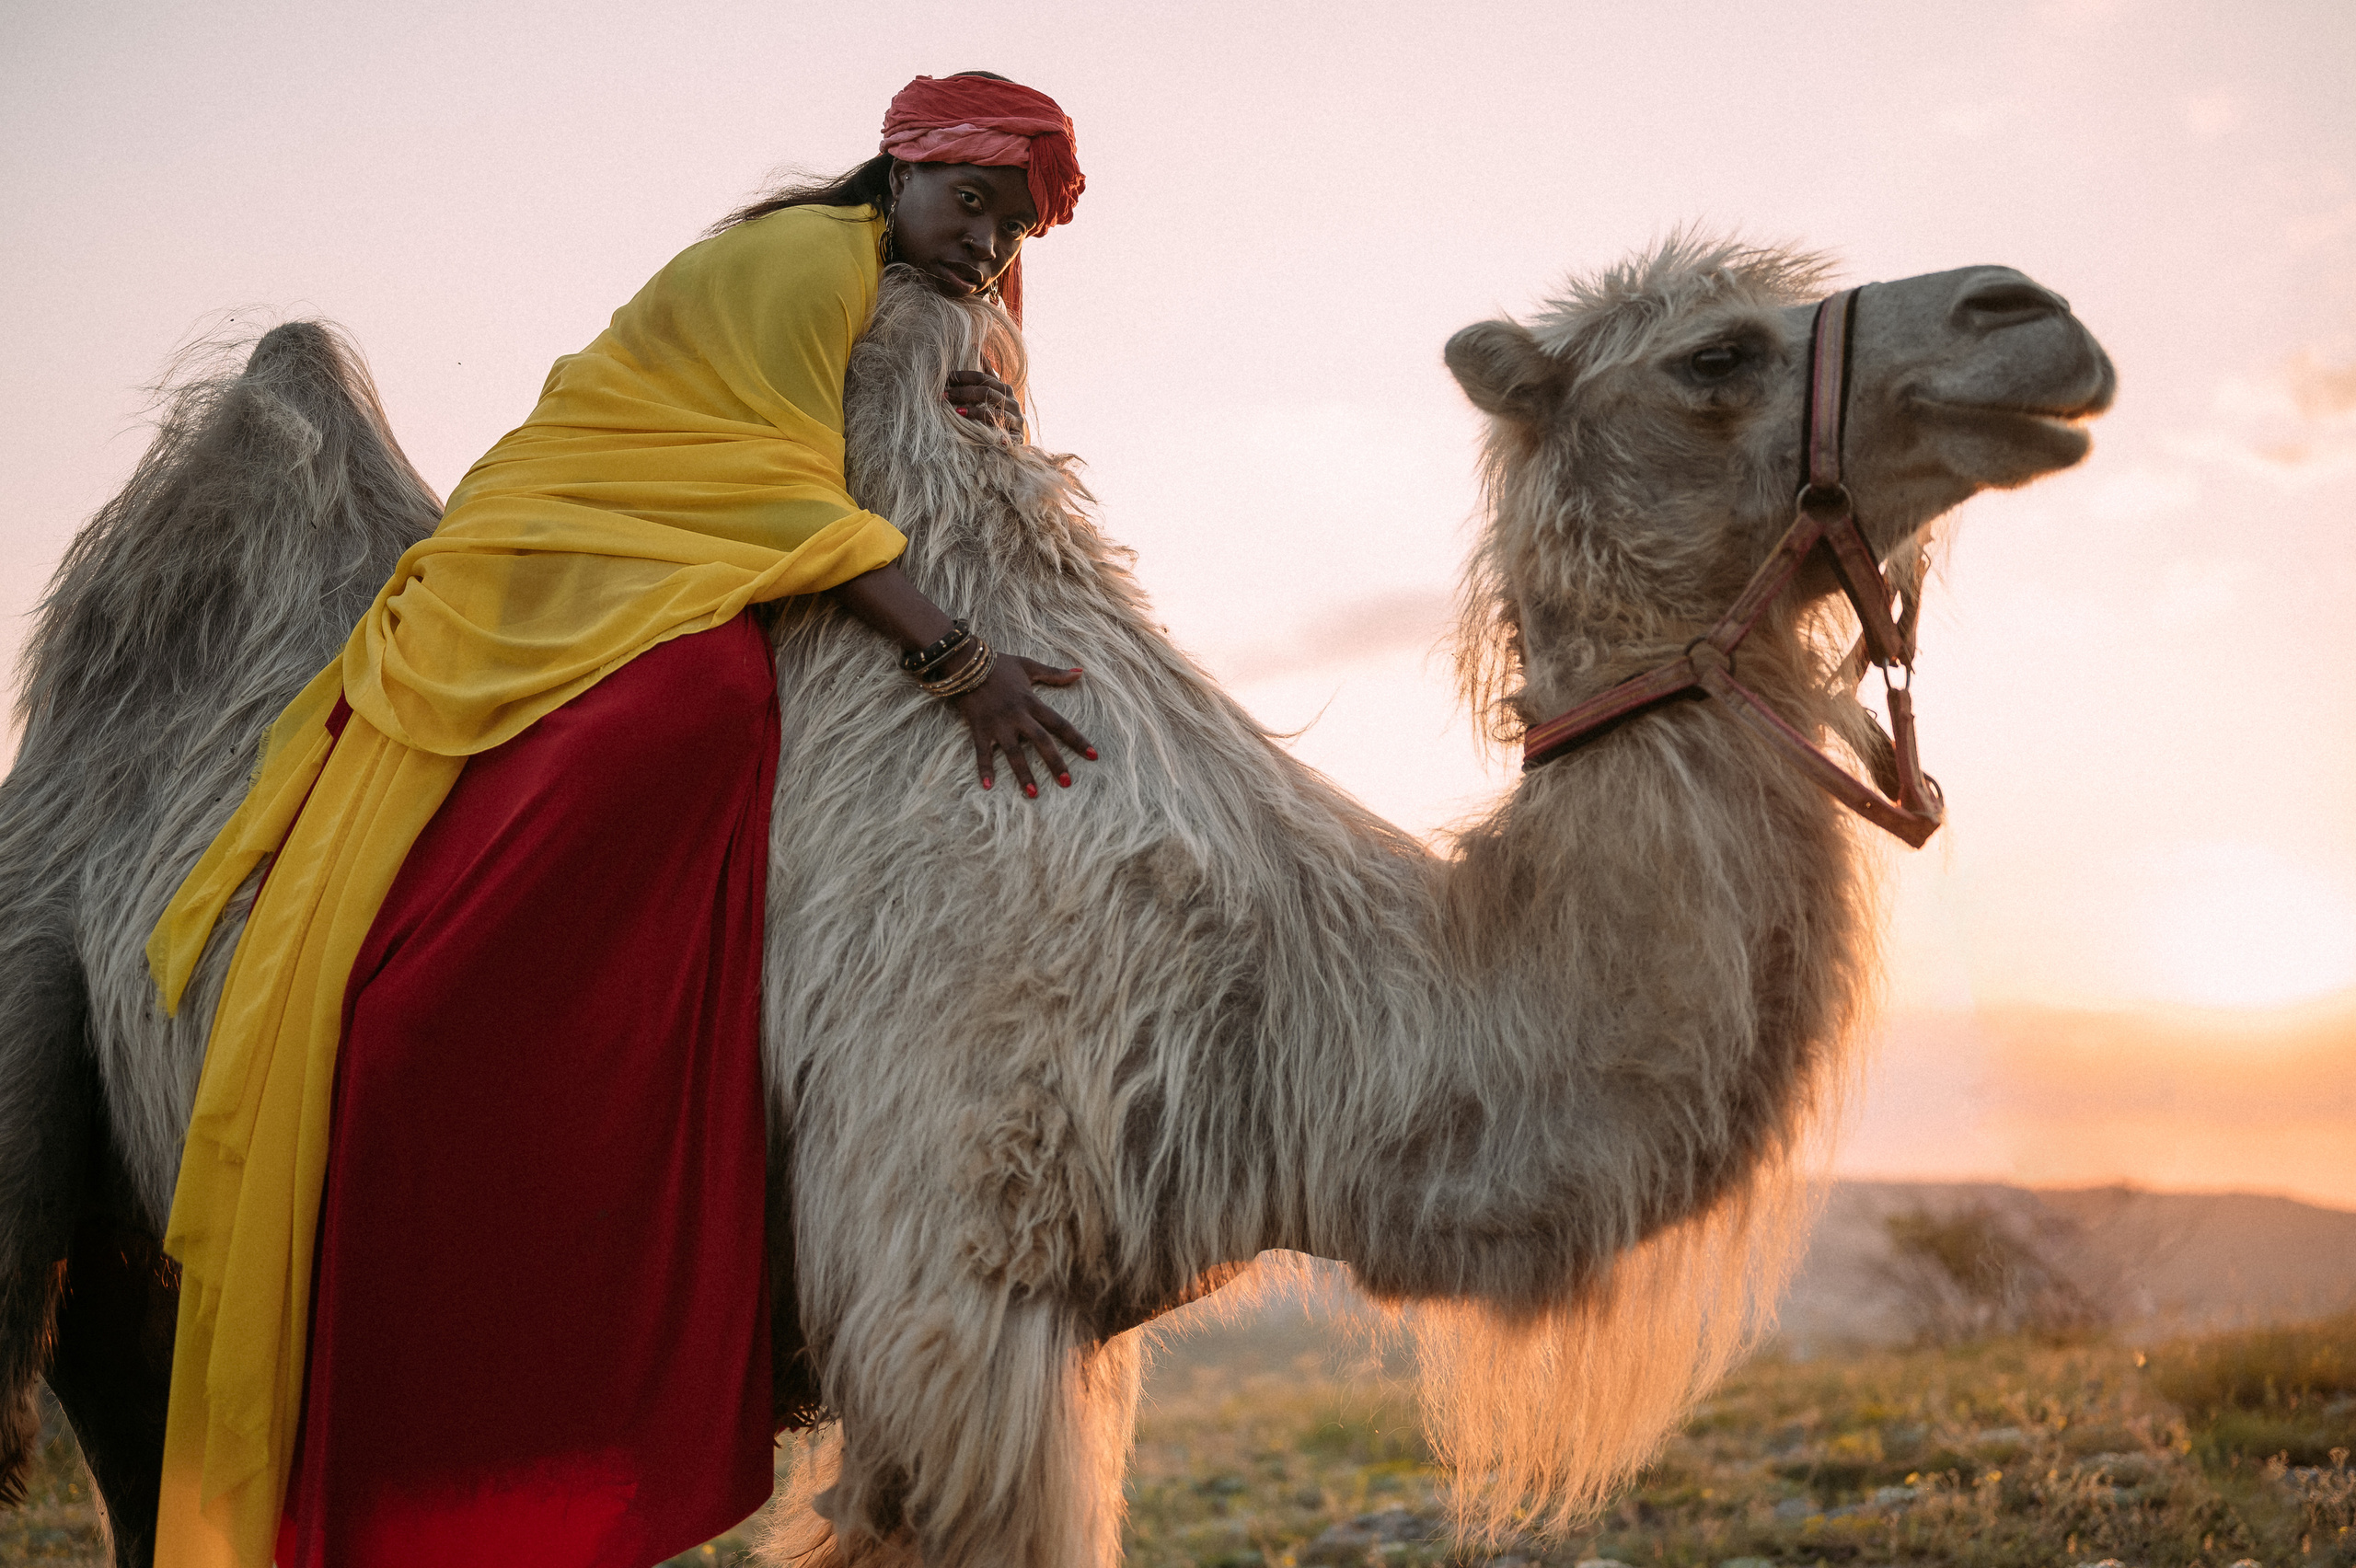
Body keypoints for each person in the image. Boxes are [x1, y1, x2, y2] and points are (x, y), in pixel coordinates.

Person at [145, 71, 1092, 1568]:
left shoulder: (907, 294)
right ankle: (462, 1027)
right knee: (701, 709)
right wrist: (955, 660)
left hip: (679, 557)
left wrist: (963, 390)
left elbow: (875, 453)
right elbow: (776, 495)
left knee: (722, 705)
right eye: (970, 203)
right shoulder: (796, 262)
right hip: (573, 559)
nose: (986, 244)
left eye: (1015, 225)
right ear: (899, 172)